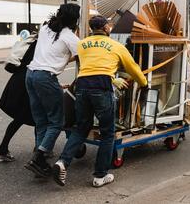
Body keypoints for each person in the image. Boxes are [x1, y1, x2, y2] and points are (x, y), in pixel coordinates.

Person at [53, 15, 147, 188]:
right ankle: (99, 175)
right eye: (109, 26)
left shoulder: (82, 44)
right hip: (102, 87)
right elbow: (132, 67)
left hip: (81, 87)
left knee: (81, 128)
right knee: (107, 132)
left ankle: (62, 162)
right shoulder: (116, 45)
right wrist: (144, 83)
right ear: (105, 28)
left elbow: (87, 62)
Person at [24, 3, 80, 177]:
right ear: (74, 19)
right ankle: (39, 157)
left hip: (31, 75)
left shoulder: (46, 28)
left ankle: (39, 160)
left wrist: (63, 59)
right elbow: (83, 55)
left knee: (41, 121)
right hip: (45, 78)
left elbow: (54, 53)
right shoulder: (70, 37)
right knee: (56, 122)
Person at [0, 38, 37, 162]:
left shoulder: (32, 41)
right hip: (28, 81)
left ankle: (3, 148)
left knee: (23, 117)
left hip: (18, 79)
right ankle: (39, 151)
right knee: (37, 115)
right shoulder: (42, 45)